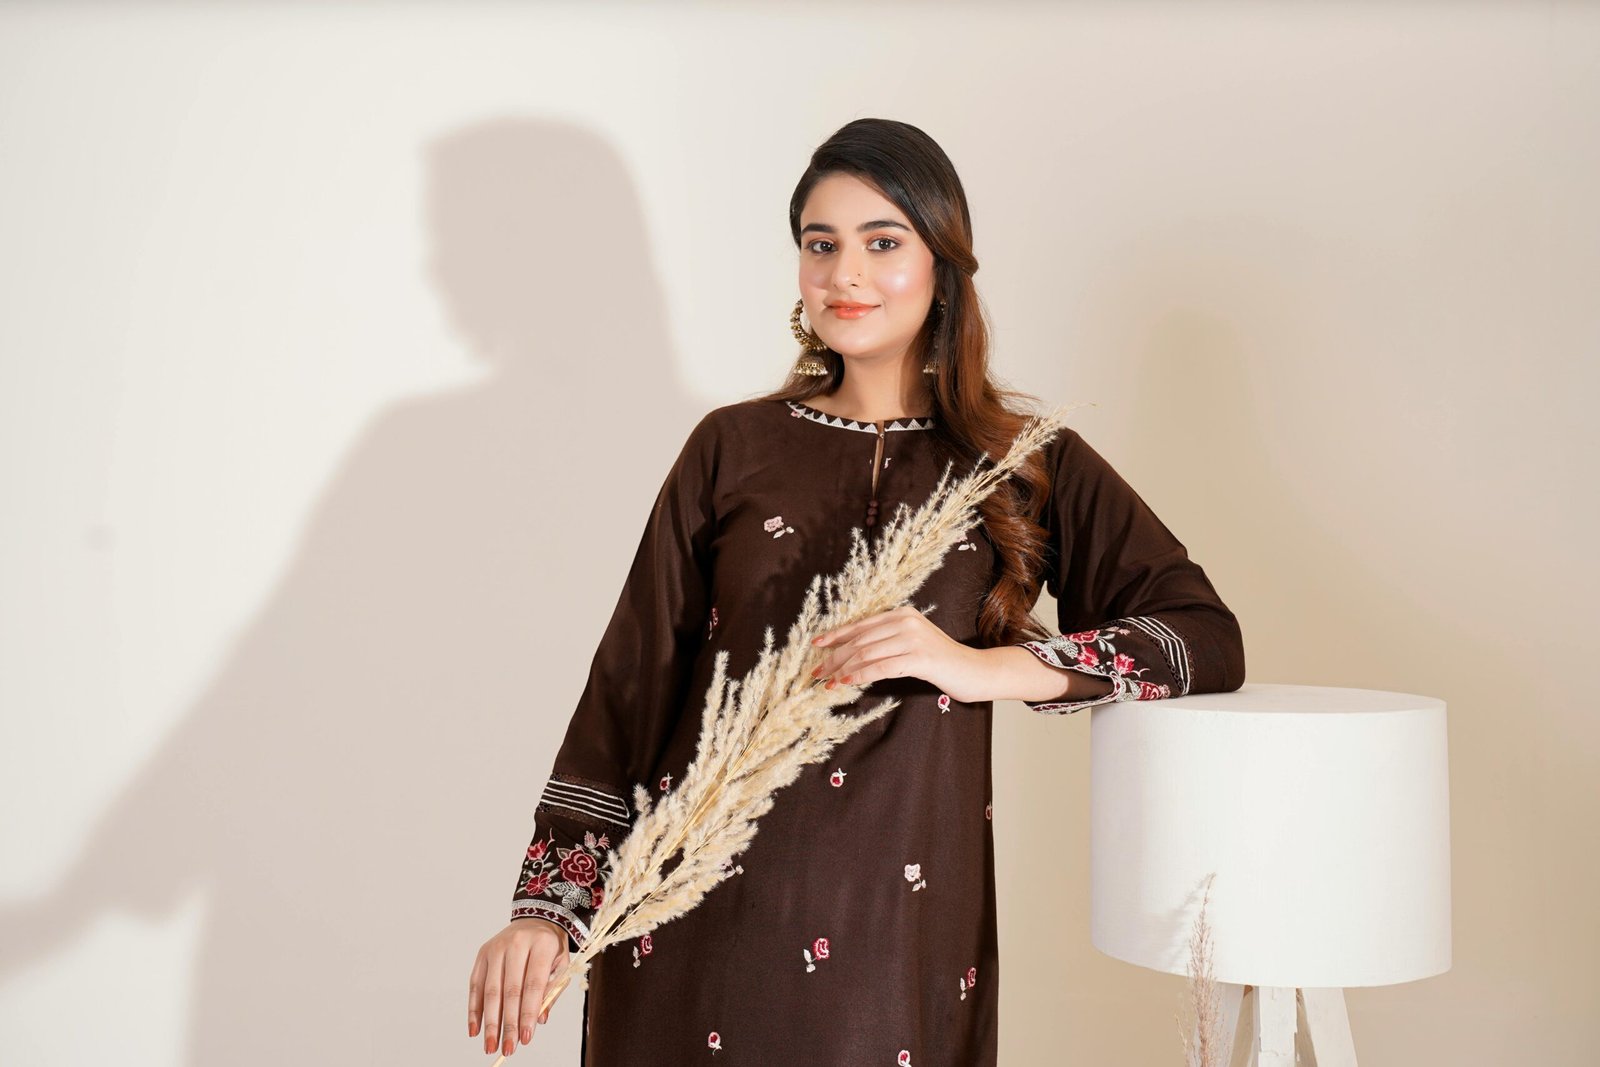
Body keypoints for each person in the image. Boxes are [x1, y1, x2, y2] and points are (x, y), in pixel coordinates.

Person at [466, 117, 1246, 1065]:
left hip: (895, 958)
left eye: (883, 242)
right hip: (687, 935)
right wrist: (548, 910)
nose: (847, 275)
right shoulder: (731, 447)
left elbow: (1202, 637)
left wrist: (983, 666)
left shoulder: (1023, 467)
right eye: (820, 245)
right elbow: (630, 690)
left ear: (942, 265)